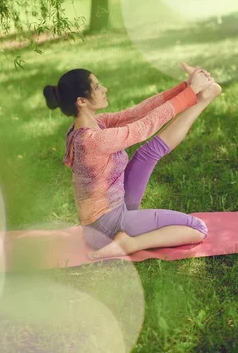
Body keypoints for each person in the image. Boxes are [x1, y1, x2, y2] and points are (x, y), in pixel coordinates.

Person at [43, 63, 222, 260]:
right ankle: (129, 243)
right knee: (198, 228)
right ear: (81, 101)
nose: (104, 89)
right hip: (106, 226)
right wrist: (193, 90)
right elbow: (144, 126)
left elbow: (136, 113)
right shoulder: (92, 141)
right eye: (96, 87)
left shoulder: (92, 124)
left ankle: (203, 100)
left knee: (149, 152)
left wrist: (185, 88)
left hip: (114, 207)